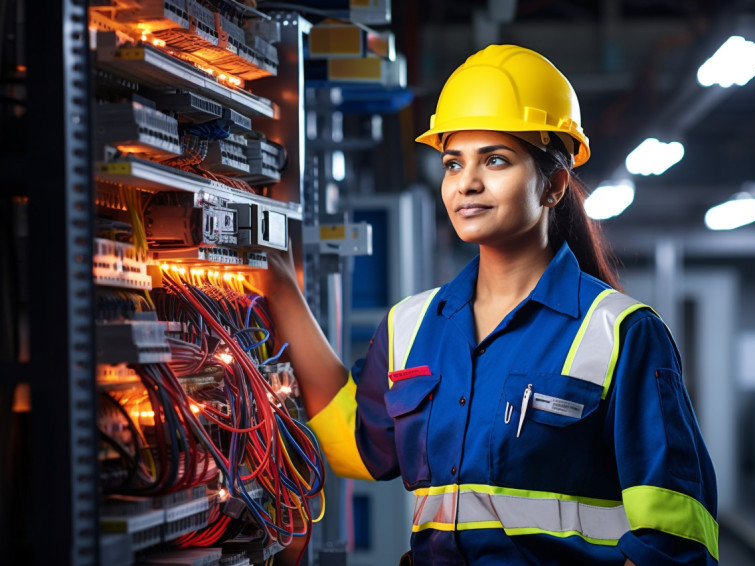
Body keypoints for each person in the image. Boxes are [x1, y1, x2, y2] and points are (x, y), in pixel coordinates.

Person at [264, 44, 718, 566]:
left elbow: (677, 538)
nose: (467, 183)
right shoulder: (411, 326)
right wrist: (279, 287)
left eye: (495, 160)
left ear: (552, 184)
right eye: (453, 163)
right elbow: (357, 443)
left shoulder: (621, 333)